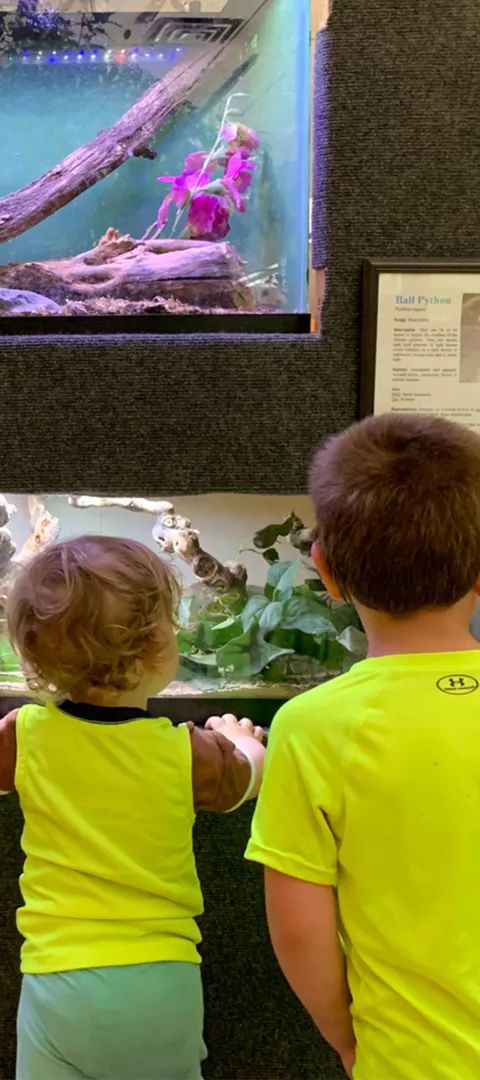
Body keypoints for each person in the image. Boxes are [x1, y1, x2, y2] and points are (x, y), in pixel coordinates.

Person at [246, 412, 480, 1080]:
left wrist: (348, 1041)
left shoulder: (312, 726)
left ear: (325, 570)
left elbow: (299, 930)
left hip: (412, 1061)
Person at [0, 535, 265, 1080]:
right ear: (155, 649)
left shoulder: (24, 737)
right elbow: (247, 778)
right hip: (157, 979)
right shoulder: (181, 751)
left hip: (55, 975)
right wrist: (238, 736)